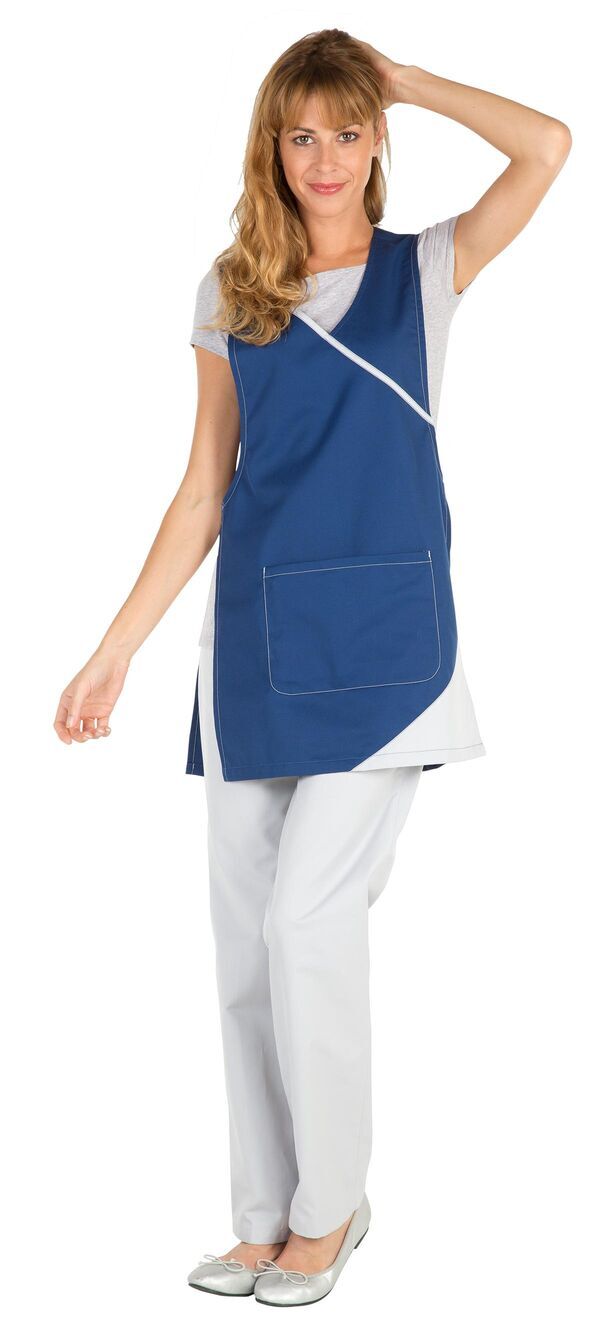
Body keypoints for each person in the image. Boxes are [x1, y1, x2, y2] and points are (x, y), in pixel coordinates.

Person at [54, 30, 571, 1308]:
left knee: (307, 923)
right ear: (271, 148)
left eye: (347, 131)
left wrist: (408, 80)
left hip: (388, 655)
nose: (325, 158)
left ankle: (331, 1210)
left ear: (377, 139)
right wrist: (115, 649)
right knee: (246, 946)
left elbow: (549, 147)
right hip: (256, 649)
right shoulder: (230, 292)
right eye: (302, 134)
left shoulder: (426, 270)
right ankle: (262, 1216)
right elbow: (203, 488)